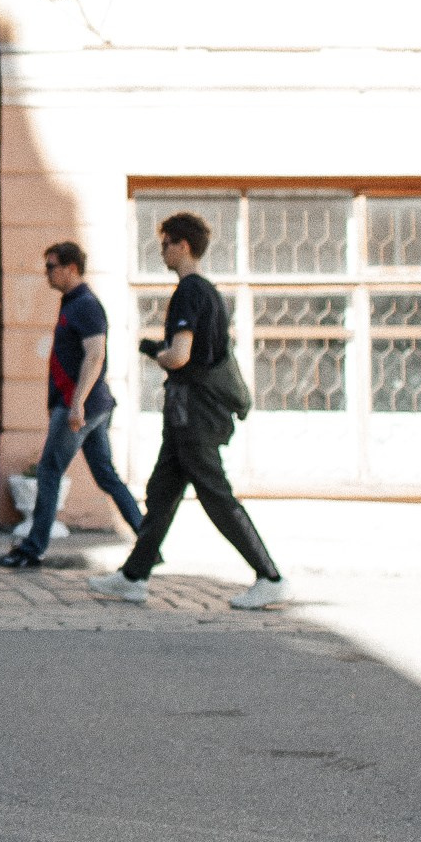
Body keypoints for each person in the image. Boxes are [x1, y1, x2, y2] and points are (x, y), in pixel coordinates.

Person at [113, 211, 286, 608]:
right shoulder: (206, 291)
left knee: (215, 494)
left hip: (194, 412)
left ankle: (269, 575)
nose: (162, 252)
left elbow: (179, 356)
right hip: (190, 413)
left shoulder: (190, 291)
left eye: (166, 244)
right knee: (162, 491)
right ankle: (132, 576)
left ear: (183, 245)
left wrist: (154, 351)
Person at [0, 240, 143, 569]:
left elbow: (95, 355)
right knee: (106, 475)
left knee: (49, 470)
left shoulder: (86, 304)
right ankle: (148, 541)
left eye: (51, 266)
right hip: (85, 404)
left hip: (83, 406)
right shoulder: (72, 303)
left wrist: (76, 405)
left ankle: (33, 549)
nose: (47, 273)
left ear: (71, 268)